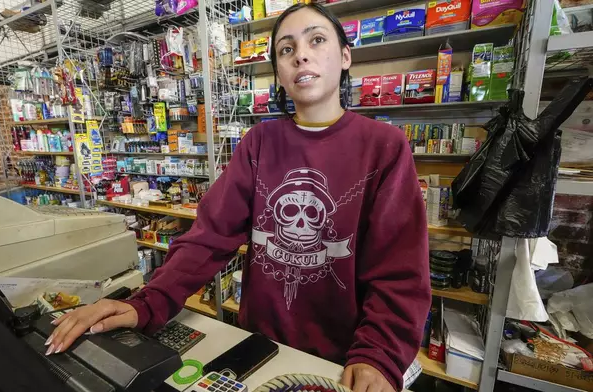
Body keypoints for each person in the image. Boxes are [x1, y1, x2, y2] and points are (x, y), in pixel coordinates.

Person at [47, 4, 431, 392]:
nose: (301, 54)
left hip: (343, 363)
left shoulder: (384, 146)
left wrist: (379, 354)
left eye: (317, 39)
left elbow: (399, 272)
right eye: (286, 49)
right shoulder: (260, 142)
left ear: (345, 56)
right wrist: (147, 302)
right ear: (279, 72)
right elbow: (209, 236)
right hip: (262, 349)